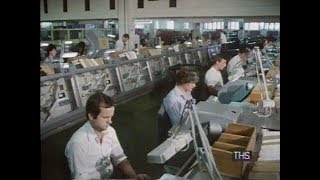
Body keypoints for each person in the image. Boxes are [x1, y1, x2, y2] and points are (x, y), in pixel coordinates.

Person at [65, 92, 150, 180]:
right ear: (91, 116)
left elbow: (120, 158)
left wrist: (134, 177)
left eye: (111, 117)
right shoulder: (77, 143)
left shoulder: (110, 131)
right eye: (105, 117)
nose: (110, 121)